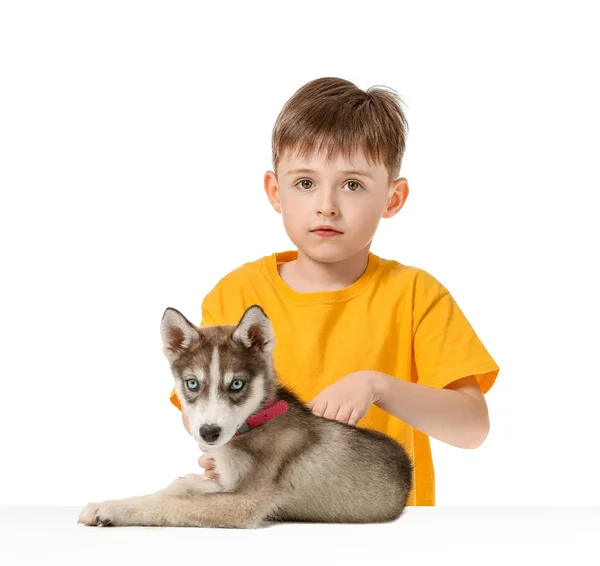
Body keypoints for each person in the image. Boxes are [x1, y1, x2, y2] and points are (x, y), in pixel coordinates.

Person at [170, 77, 500, 506]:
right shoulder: (236, 293)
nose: (326, 204)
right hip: (274, 524)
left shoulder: (418, 294)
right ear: (276, 192)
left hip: (384, 525)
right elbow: (197, 409)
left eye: (353, 184)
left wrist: (377, 386)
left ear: (393, 199)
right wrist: (229, 451)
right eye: (305, 183)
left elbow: (473, 428)